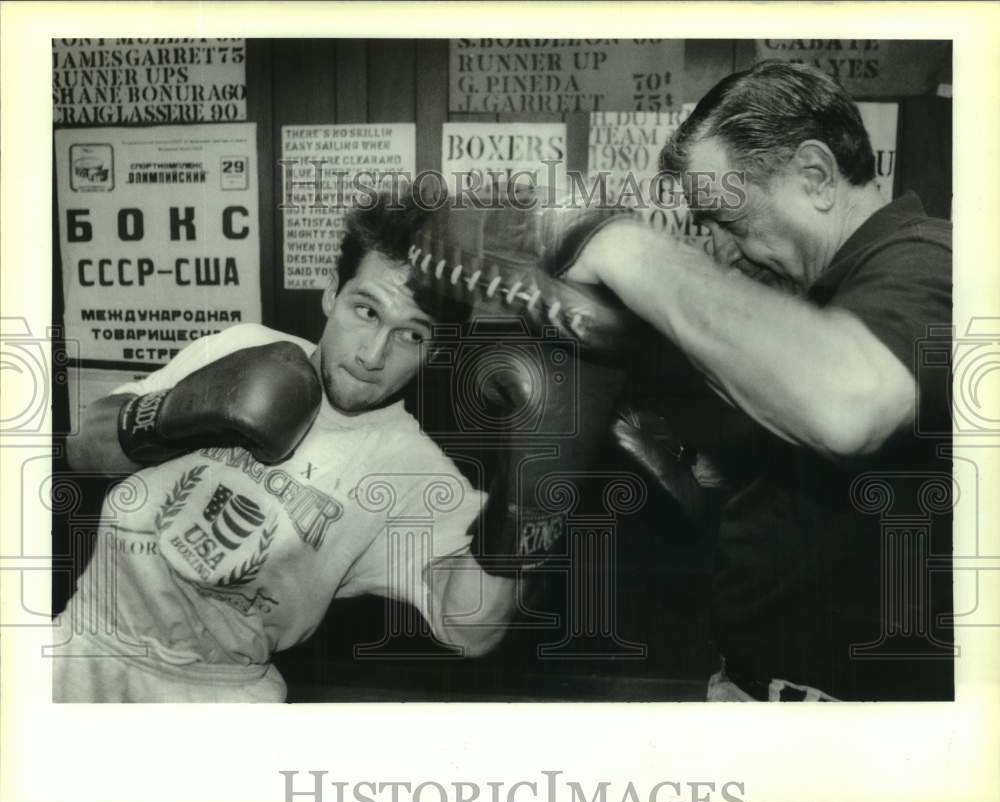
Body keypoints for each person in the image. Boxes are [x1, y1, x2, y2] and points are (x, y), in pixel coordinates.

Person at [568, 61, 953, 700]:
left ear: (816, 175)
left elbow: (850, 403)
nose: (723, 249)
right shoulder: (823, 298)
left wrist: (619, 244)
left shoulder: (929, 262)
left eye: (731, 220)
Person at [54, 193, 526, 702]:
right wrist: (175, 414)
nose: (372, 355)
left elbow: (472, 628)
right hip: (78, 650)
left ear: (435, 350)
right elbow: (84, 450)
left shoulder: (410, 469)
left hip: (214, 695)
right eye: (365, 310)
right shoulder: (241, 347)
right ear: (331, 294)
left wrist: (528, 500)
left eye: (410, 335)